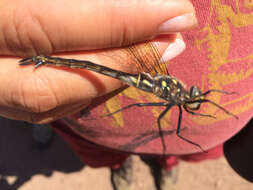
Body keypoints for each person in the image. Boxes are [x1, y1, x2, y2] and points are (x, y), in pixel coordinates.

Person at [0, 0, 252, 189]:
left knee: (168, 133)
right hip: (88, 126)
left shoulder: (176, 90)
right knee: (127, 116)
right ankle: (120, 162)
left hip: (213, 133)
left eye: (194, 97)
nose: (196, 96)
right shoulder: (178, 95)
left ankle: (166, 161)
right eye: (195, 97)